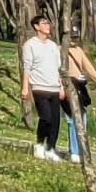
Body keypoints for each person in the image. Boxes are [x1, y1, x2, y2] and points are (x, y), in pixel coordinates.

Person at [18, 15, 68, 161]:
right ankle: (39, 144)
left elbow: (57, 68)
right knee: (46, 117)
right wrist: (25, 87)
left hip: (54, 87)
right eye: (44, 23)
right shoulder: (30, 45)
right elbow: (27, 67)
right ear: (36, 26)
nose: (47, 26)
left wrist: (61, 87)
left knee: (55, 121)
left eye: (48, 23)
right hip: (39, 87)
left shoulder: (53, 46)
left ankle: (50, 148)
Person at [60, 34, 96, 166]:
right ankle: (74, 151)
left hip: (78, 87)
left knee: (82, 119)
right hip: (66, 86)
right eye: (71, 38)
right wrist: (60, 86)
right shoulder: (59, 50)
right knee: (72, 119)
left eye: (75, 38)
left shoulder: (79, 51)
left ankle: (80, 150)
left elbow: (89, 68)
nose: (74, 40)